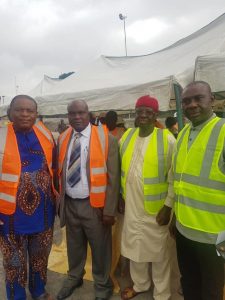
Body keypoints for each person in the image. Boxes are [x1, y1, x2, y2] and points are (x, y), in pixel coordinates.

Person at [56, 100, 119, 300]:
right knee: (74, 246)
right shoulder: (64, 137)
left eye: (81, 112)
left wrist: (109, 210)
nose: (77, 117)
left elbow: (114, 177)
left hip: (95, 205)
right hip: (70, 203)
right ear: (68, 116)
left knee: (100, 248)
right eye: (72, 113)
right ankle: (75, 276)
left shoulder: (106, 138)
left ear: (88, 113)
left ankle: (102, 284)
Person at [172, 81, 225, 300]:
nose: (192, 105)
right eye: (186, 101)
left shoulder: (222, 131)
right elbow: (181, 182)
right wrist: (175, 217)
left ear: (212, 100)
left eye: (198, 99)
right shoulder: (184, 133)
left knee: (211, 291)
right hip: (184, 230)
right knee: (190, 284)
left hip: (214, 238)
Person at [0, 95, 57, 300]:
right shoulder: (1, 136)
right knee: (14, 261)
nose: (25, 114)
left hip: (43, 214)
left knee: (40, 257)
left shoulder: (45, 133)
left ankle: (39, 291)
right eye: (19, 110)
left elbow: (55, 168)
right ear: (10, 112)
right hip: (9, 217)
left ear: (35, 113)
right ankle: (16, 297)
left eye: (29, 110)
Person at [120, 95, 175, 300]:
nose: (143, 115)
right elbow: (121, 171)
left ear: (156, 115)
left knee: (160, 253)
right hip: (132, 204)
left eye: (148, 111)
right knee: (135, 248)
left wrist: (168, 206)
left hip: (157, 207)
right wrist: (120, 197)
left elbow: (173, 175)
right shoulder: (127, 136)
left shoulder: (167, 138)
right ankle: (140, 285)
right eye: (140, 111)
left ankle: (162, 293)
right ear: (135, 113)